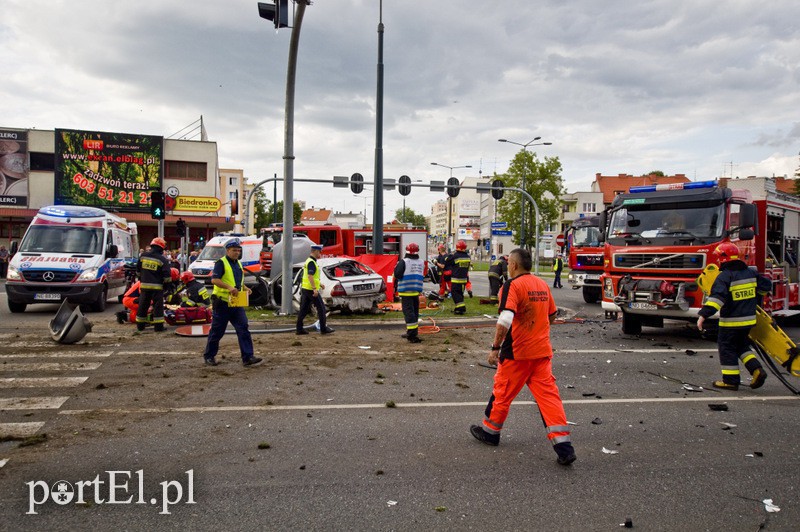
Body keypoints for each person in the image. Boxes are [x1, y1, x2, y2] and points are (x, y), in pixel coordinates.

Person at [470, 248, 576, 466]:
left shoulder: (512, 285)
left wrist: (495, 348)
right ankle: (564, 448)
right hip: (541, 352)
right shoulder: (541, 284)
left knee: (502, 392)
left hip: (517, 353)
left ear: (514, 265)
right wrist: (536, 331)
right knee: (549, 398)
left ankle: (490, 433)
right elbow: (552, 314)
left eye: (509, 263)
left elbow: (505, 319)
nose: (507, 266)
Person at [697, 242, 770, 390]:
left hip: (731, 322)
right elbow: (766, 286)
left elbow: (717, 299)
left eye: (719, 257)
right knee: (741, 346)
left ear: (723, 258)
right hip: (748, 321)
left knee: (727, 348)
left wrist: (703, 315)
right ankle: (756, 369)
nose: (718, 260)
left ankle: (730, 381)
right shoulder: (750, 273)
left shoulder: (725, 276)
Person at [202, 238, 262, 367]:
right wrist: (229, 288)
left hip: (235, 302)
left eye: (238, 251)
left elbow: (237, 281)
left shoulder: (238, 263)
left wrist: (245, 288)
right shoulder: (221, 263)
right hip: (222, 302)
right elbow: (214, 280)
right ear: (227, 250)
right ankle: (209, 356)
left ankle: (248, 357)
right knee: (217, 331)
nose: (237, 253)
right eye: (234, 250)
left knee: (243, 328)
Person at [296, 245, 334, 335]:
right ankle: (323, 328)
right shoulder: (311, 262)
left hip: (306, 288)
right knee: (321, 308)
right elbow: (310, 276)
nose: (320, 253)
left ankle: (299, 328)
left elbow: (311, 276)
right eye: (319, 252)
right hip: (310, 290)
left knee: (304, 309)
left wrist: (319, 284)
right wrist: (314, 289)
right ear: (316, 251)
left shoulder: (309, 261)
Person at [136, 237, 172, 332]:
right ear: (161, 248)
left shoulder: (143, 256)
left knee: (143, 305)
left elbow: (138, 271)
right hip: (157, 287)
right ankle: (158, 327)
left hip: (144, 286)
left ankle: (140, 326)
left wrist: (142, 279)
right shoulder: (162, 259)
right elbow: (167, 276)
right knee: (157, 306)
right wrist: (167, 287)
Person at [394, 242, 425, 343]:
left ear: (407, 251)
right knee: (414, 313)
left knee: (409, 313)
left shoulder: (404, 262)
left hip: (406, 291)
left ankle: (412, 335)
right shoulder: (421, 262)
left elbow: (397, 275)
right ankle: (412, 332)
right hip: (416, 291)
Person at [449, 240, 471, 314]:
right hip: (464, 279)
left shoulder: (455, 256)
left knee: (455, 293)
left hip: (456, 279)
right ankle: (458, 308)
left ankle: (461, 308)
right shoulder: (468, 257)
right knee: (460, 294)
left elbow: (449, 263)